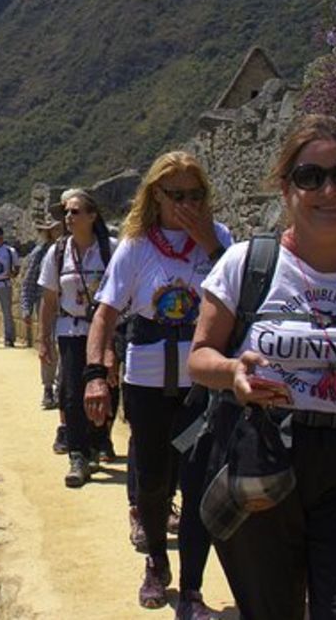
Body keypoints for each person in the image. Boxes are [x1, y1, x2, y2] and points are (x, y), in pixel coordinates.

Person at [189, 114, 336, 620]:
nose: (329, 190)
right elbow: (199, 356)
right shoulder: (246, 265)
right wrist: (233, 374)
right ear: (285, 186)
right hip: (264, 458)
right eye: (311, 177)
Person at [84, 151, 232, 615]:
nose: (186, 204)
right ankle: (155, 560)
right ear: (156, 196)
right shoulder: (136, 246)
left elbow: (244, 298)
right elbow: (105, 313)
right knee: (151, 481)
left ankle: (191, 587)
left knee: (198, 481)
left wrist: (210, 244)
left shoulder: (221, 242)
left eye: (196, 195)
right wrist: (95, 374)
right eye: (176, 195)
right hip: (148, 383)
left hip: (202, 387)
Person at [39, 189, 116, 487]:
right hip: (71, 331)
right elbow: (48, 298)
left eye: (75, 212)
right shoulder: (58, 253)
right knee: (71, 393)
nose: (68, 217)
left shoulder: (111, 249)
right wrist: (43, 338)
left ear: (92, 216)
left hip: (106, 330)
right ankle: (78, 455)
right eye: (67, 213)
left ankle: (98, 442)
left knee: (109, 389)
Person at [25, 215, 63, 408]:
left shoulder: (72, 249)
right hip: (46, 305)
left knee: (62, 346)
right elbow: (29, 281)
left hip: (66, 306)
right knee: (47, 344)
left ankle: (60, 388)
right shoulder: (40, 253)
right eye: (55, 229)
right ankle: (48, 388)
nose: (59, 232)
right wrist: (26, 307)